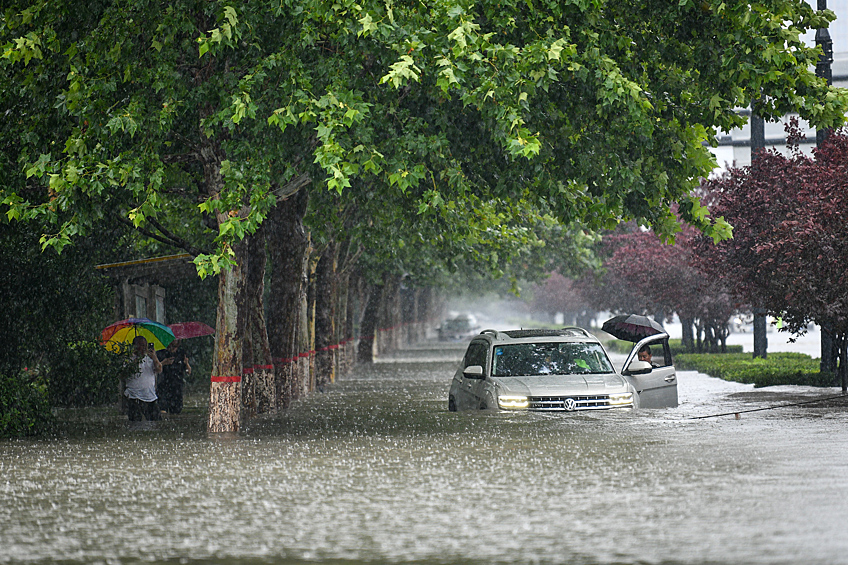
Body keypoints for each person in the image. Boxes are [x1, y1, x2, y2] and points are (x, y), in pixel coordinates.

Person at [125, 336, 163, 421]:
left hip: (150, 396)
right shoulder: (128, 359)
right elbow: (125, 373)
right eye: (141, 345)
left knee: (156, 422)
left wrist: (155, 357)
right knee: (135, 423)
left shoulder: (150, 358)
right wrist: (137, 359)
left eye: (145, 345)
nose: (144, 348)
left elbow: (159, 369)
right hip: (134, 396)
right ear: (135, 346)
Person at [156, 339, 191, 414]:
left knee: (176, 411)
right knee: (162, 410)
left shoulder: (181, 352)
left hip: (177, 386)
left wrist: (186, 363)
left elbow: (188, 372)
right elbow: (155, 369)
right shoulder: (161, 352)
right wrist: (163, 363)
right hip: (163, 385)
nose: (174, 341)